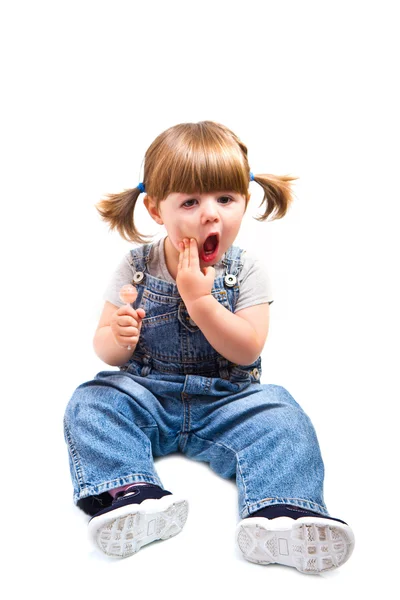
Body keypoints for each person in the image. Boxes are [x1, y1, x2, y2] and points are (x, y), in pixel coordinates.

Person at [63, 120, 355, 574]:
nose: (211, 215)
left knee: (282, 414)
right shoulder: (137, 264)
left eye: (225, 199)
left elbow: (247, 348)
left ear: (245, 200)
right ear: (157, 210)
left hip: (227, 400)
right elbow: (104, 346)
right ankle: (131, 493)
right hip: (149, 395)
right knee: (92, 400)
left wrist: (200, 300)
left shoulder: (247, 269)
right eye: (191, 202)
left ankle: (283, 513)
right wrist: (118, 337)